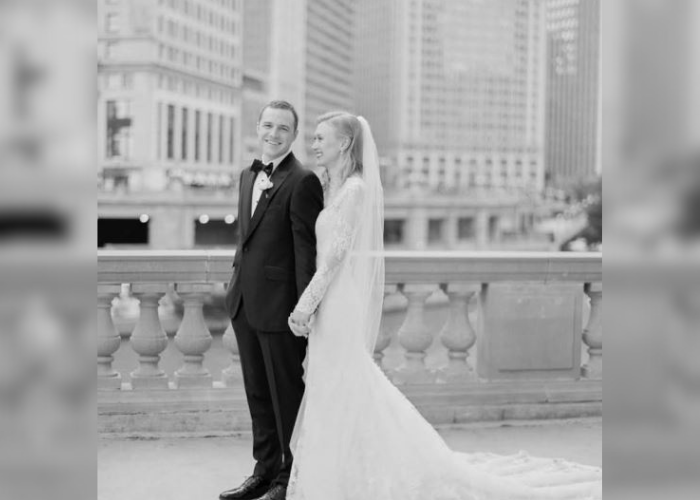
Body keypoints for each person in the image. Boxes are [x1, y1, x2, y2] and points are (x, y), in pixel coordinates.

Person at [285, 111, 603, 500]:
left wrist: (306, 304)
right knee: (332, 384)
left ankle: (361, 473)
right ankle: (340, 472)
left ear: (345, 144)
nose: (314, 144)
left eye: (321, 138)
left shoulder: (354, 191)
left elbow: (334, 259)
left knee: (344, 382)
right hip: (330, 299)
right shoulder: (332, 188)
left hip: (336, 300)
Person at [220, 100, 324, 500]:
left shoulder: (302, 181)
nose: (273, 134)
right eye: (268, 125)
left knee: (284, 396)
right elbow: (246, 239)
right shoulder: (247, 175)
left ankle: (287, 478)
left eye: (283, 128)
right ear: (257, 127)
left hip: (281, 309)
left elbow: (304, 252)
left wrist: (304, 309)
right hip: (244, 303)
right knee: (257, 394)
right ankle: (262, 472)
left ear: (294, 135)